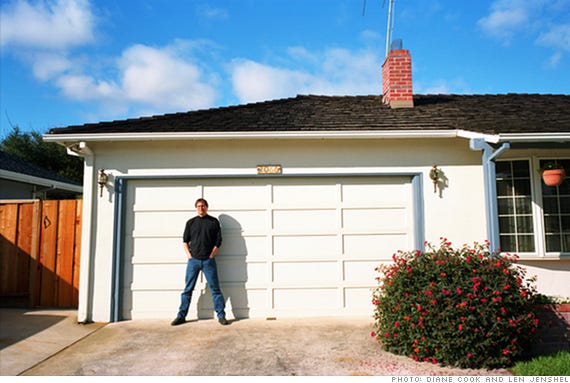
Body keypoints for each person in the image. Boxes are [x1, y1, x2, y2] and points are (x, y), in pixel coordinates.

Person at [171, 198, 228, 326]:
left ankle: (221, 315)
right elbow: (185, 241)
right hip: (194, 261)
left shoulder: (213, 222)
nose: (200, 208)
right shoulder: (191, 223)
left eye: (203, 206)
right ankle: (181, 316)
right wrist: (189, 256)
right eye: (198, 206)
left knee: (215, 289)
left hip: (208, 261)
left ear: (207, 207)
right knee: (187, 289)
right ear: (196, 208)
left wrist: (212, 254)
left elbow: (218, 240)